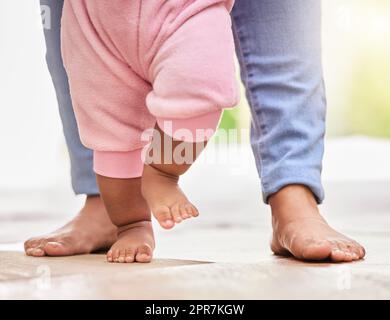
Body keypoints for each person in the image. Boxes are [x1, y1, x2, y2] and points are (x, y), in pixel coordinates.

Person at [25, 0, 365, 263]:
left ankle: (290, 192)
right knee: (106, 124)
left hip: (185, 10)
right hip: (95, 21)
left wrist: (163, 167)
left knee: (199, 90)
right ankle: (124, 218)